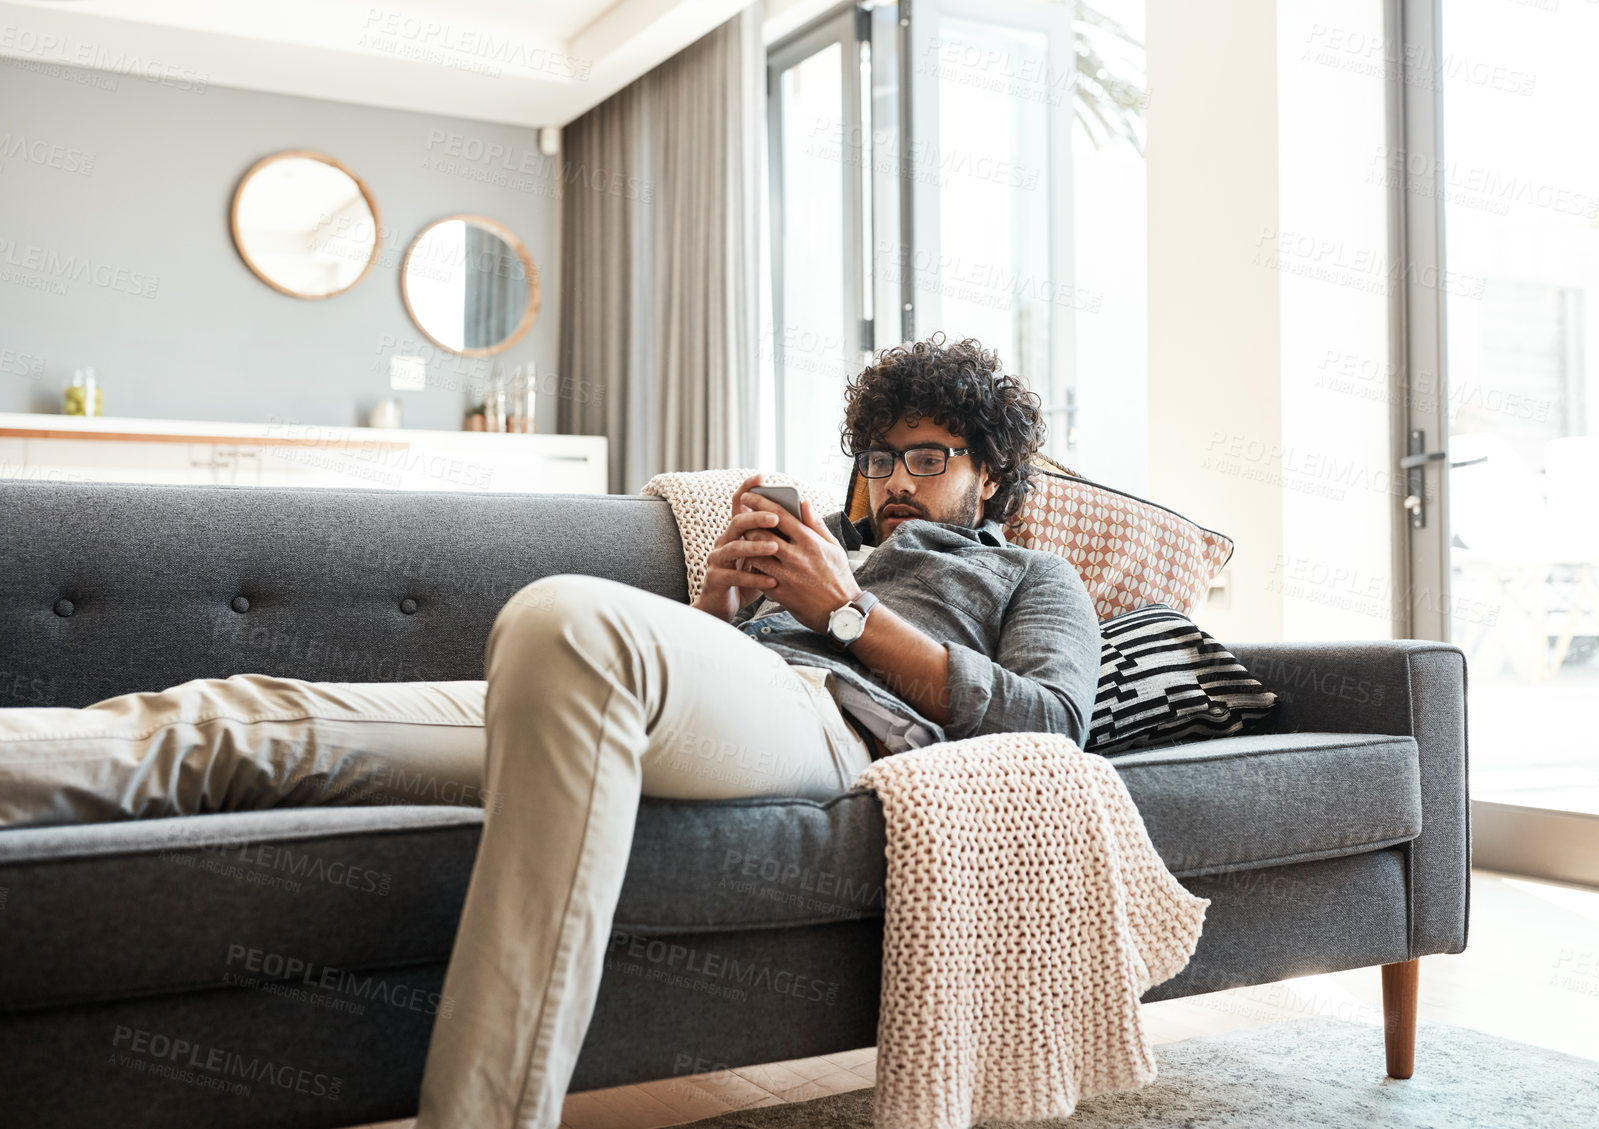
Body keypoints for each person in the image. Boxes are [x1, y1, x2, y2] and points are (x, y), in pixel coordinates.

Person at [413, 335, 1101, 1129]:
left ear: (989, 475)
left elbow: (1052, 722)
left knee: (564, 621)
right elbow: (701, 685)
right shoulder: (825, 550)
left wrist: (846, 613)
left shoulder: (1033, 575)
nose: (896, 481)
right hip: (700, 707)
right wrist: (716, 610)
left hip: (835, 722)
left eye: (928, 458)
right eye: (880, 460)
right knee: (254, 723)